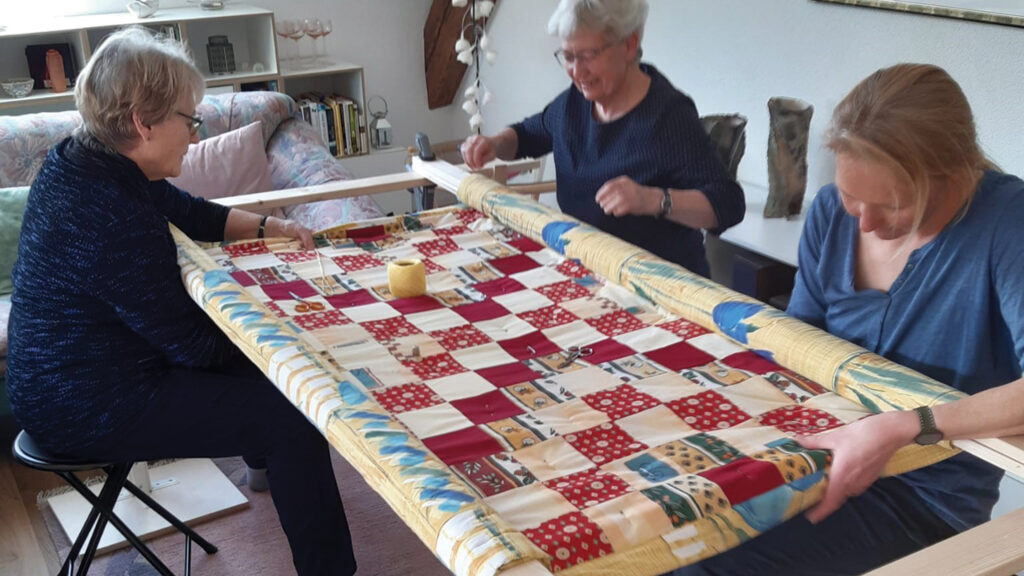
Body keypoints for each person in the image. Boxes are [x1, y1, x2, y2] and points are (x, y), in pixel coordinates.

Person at [5, 27, 356, 576]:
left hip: (60, 379)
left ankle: (265, 469)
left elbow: (185, 209)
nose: (195, 135)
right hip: (83, 404)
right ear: (142, 123)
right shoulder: (113, 215)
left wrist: (270, 228)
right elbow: (193, 347)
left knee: (271, 375)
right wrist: (292, 339)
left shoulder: (85, 158)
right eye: (189, 120)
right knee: (291, 416)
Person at [673, 63, 1024, 575]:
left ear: (955, 172)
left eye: (893, 206)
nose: (865, 223)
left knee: (700, 568)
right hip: (807, 458)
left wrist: (908, 426)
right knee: (656, 533)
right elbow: (796, 349)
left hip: (919, 501)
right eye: (850, 197)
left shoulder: (1008, 226)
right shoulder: (832, 214)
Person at [460, 0, 744, 278]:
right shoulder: (573, 105)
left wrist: (652, 199)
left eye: (588, 55)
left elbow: (728, 203)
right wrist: (494, 144)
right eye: (568, 57)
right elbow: (527, 134)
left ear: (629, 45)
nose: (577, 71)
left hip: (658, 285)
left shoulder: (667, 116)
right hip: (593, 271)